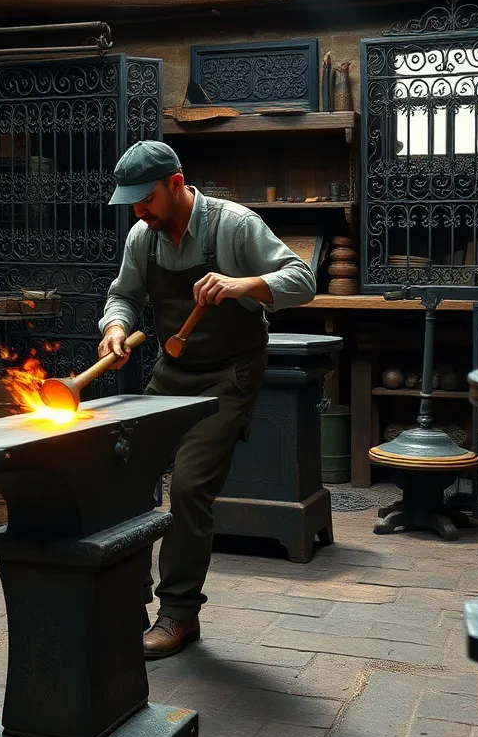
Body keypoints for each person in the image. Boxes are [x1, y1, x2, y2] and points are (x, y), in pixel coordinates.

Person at [99, 140, 317, 659]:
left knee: (190, 487)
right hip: (172, 373)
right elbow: (123, 295)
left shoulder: (234, 225)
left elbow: (302, 279)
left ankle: (178, 614)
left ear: (176, 183)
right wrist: (115, 326)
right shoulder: (142, 237)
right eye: (131, 202)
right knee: (123, 477)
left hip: (228, 376)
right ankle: (125, 605)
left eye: (145, 198)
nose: (138, 211)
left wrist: (245, 284)